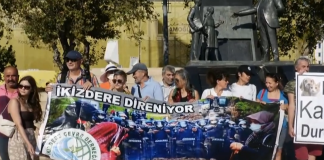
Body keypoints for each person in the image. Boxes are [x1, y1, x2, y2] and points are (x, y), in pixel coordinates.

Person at [284, 57, 322, 160]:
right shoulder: (292, 84)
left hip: (314, 123)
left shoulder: (316, 81)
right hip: (300, 124)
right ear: (296, 68)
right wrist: (291, 125)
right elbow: (291, 105)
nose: (306, 69)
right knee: (301, 155)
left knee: (313, 154)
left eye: (308, 67)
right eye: (303, 66)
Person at [7, 76, 42, 160]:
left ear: (32, 89)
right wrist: (28, 143)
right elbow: (18, 124)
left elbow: (31, 123)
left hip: (31, 135)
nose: (23, 88)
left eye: (26, 87)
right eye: (20, 86)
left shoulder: (31, 104)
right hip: (19, 137)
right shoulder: (15, 101)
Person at [256, 73, 288, 160]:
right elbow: (255, 108)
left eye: (270, 83)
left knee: (278, 150)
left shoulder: (284, 95)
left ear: (276, 83)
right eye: (266, 83)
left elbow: (290, 109)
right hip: (264, 127)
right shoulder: (262, 93)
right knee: (263, 150)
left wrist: (286, 107)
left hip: (281, 127)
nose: (267, 85)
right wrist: (259, 105)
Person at [0, 66, 19, 160]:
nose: (10, 78)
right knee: (5, 157)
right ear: (4, 77)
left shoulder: (24, 90)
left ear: (18, 77)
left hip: (20, 133)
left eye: (13, 76)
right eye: (8, 76)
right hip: (3, 133)